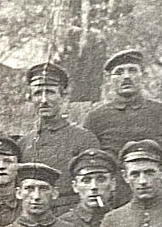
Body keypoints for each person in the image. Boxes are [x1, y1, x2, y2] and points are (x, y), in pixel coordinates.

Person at [18, 62, 100, 210]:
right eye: (37, 93)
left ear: (63, 96)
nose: (43, 100)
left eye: (50, 92)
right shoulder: (24, 143)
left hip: (70, 215)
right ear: (30, 98)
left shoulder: (84, 138)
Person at [82, 49, 162, 170]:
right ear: (108, 79)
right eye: (119, 72)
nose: (126, 77)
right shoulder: (95, 117)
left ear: (143, 75)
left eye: (132, 70)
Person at [55, 148, 118, 227]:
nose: (94, 187)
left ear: (113, 184)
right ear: (75, 186)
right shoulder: (63, 225)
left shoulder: (123, 221)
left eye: (101, 179)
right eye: (86, 180)